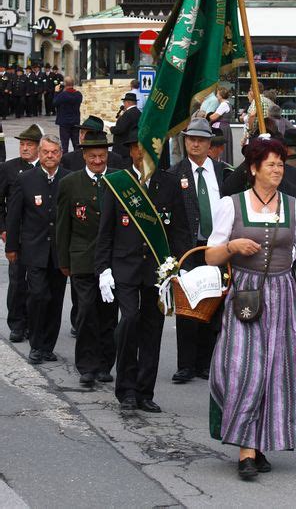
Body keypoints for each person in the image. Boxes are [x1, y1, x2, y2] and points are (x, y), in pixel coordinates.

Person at [206, 137, 296, 479]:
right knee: (244, 369)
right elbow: (210, 255)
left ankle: (254, 447)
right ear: (254, 169)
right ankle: (246, 444)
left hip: (282, 293)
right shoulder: (231, 205)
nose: (277, 170)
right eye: (271, 164)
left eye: (281, 164)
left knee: (276, 370)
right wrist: (231, 245)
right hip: (245, 295)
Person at [95, 130, 191, 411]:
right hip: (124, 267)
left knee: (152, 328)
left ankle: (144, 392)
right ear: (130, 151)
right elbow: (106, 231)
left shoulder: (169, 183)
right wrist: (103, 268)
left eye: (146, 148)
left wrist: (180, 265)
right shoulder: (117, 183)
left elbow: (180, 229)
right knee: (129, 322)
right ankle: (125, 389)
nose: (142, 153)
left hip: (158, 269)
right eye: (137, 148)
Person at [56, 130, 118, 387]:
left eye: (101, 156)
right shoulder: (70, 183)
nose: (97, 160)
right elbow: (62, 225)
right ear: (84, 155)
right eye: (92, 156)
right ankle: (87, 367)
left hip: (112, 262)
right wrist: (64, 261)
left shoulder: (118, 180)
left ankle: (105, 364)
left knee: (108, 315)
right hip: (81, 260)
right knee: (85, 313)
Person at [168, 118, 226, 384]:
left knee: (214, 304)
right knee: (188, 306)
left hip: (217, 247)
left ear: (209, 143)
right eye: (191, 138)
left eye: (201, 139)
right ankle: (185, 365)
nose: (195, 143)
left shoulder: (223, 172)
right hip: (187, 249)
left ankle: (205, 363)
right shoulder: (174, 173)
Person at [5, 135, 70, 365]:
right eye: (45, 152)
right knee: (38, 296)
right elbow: (14, 216)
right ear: (39, 154)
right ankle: (36, 344)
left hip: (60, 253)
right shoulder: (25, 179)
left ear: (60, 154)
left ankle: (47, 347)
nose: (50, 156)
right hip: (33, 250)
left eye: (54, 152)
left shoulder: (69, 179)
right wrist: (11, 246)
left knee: (56, 299)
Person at [0, 124, 42, 342]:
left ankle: (35, 323)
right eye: (22, 144)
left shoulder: (47, 166)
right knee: (17, 280)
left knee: (38, 283)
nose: (24, 148)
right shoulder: (8, 168)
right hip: (16, 234)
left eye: (29, 145)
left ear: (39, 147)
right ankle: (17, 323)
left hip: (40, 235)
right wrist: (3, 228)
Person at [53, 76, 83, 154]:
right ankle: (78, 160)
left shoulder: (63, 95)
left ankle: (65, 161)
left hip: (64, 122)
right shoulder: (78, 95)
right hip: (75, 121)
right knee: (76, 143)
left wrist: (56, 92)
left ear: (65, 84)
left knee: (64, 144)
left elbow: (55, 103)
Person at [110, 92, 141, 162]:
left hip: (122, 147)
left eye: (124, 102)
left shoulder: (128, 114)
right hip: (131, 144)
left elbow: (120, 129)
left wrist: (111, 128)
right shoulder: (138, 112)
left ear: (128, 102)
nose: (123, 104)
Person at [207, 87, 233, 165]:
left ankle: (220, 165)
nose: (216, 95)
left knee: (219, 147)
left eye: (217, 94)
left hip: (221, 128)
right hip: (225, 127)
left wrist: (207, 115)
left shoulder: (224, 104)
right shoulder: (227, 104)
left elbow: (213, 117)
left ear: (221, 95)